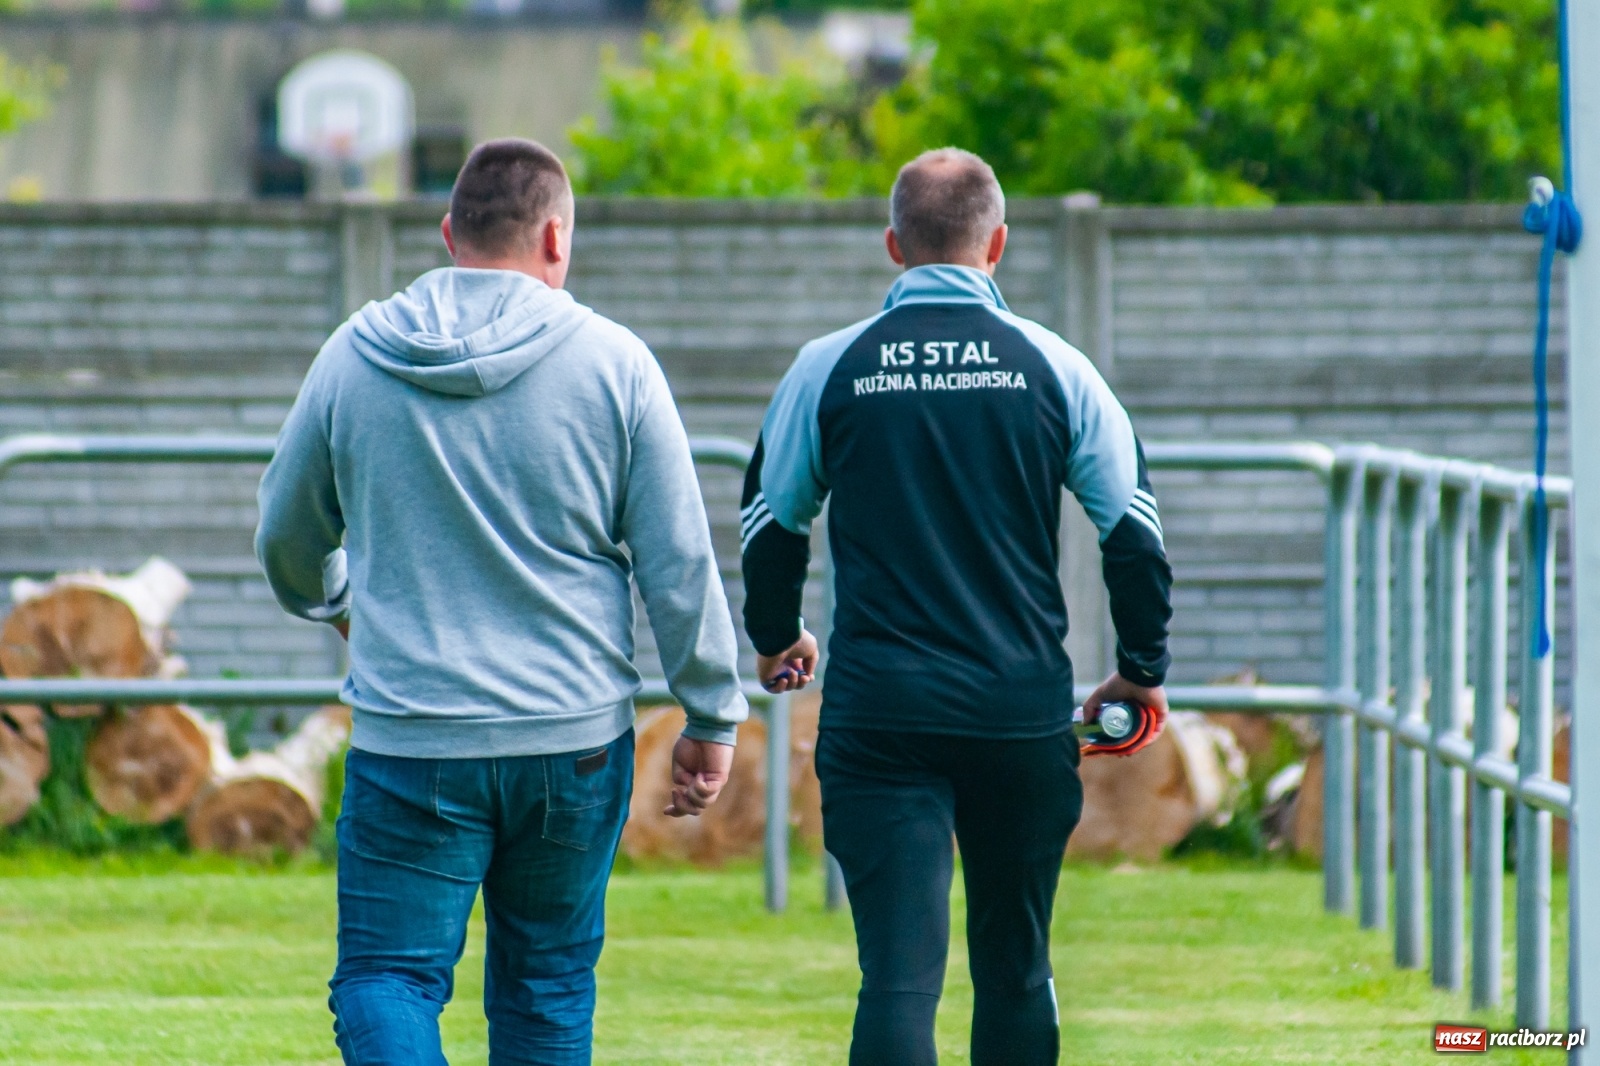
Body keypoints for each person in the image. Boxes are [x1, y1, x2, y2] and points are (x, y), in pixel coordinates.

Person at [256, 138, 748, 1066]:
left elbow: (285, 534)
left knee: (386, 979)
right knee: (547, 986)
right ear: (556, 238)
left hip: (412, 737)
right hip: (571, 739)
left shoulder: (354, 357)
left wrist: (334, 600)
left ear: (450, 234)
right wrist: (712, 714)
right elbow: (679, 560)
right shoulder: (617, 363)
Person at [741, 147, 1173, 1065]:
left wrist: (777, 638)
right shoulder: (1058, 366)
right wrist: (1142, 671)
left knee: (898, 978)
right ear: (999, 244)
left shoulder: (829, 367)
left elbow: (769, 528)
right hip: (1016, 717)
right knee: (1017, 969)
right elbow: (1134, 534)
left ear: (894, 245)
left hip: (879, 715)